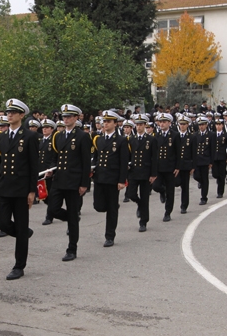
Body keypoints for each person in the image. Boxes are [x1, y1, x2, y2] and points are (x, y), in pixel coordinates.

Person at [0, 99, 39, 280]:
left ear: (22, 115)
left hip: (21, 188)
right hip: (4, 186)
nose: (9, 115)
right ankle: (23, 233)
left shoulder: (30, 136)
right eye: (8, 112)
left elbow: (34, 166)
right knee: (3, 223)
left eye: (13, 112)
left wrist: (32, 191)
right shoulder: (1, 137)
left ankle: (19, 265)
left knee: (21, 225)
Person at [47, 104, 92, 261]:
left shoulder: (82, 136)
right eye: (63, 117)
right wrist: (51, 169)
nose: (65, 119)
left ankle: (72, 248)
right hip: (59, 179)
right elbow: (55, 156)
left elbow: (86, 162)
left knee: (72, 214)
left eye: (68, 116)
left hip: (74, 181)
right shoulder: (58, 136)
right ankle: (71, 218)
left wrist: (84, 183)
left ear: (75, 118)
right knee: (52, 208)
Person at [91, 110, 129, 247]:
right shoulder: (98, 139)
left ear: (115, 123)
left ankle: (110, 236)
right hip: (100, 177)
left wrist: (121, 180)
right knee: (98, 206)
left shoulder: (121, 140)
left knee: (112, 209)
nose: (105, 124)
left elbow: (124, 162)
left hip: (113, 178)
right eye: (104, 121)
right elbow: (95, 158)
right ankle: (111, 207)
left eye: (108, 121)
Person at [126, 114, 157, 232]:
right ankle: (139, 204)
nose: (138, 127)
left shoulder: (151, 139)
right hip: (134, 171)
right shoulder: (131, 139)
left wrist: (153, 174)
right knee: (131, 194)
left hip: (145, 172)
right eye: (137, 124)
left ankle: (143, 221)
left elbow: (154, 158)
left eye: (141, 125)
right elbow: (128, 155)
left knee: (145, 198)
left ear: (145, 125)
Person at [175, 116, 196, 214]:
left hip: (186, 165)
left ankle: (184, 205)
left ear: (187, 125)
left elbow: (193, 152)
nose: (182, 126)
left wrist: (193, 166)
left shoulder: (191, 137)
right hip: (175, 165)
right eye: (180, 124)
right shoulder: (175, 136)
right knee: (174, 183)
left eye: (184, 124)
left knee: (185, 187)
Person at [39, 119, 57, 226]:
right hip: (40, 171)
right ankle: (55, 209)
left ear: (51, 129)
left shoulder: (53, 141)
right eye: (43, 128)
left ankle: (49, 216)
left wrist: (51, 169)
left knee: (49, 194)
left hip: (49, 171)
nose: (44, 130)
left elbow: (55, 157)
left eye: (47, 128)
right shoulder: (40, 140)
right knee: (44, 196)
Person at [193, 116, 213, 205]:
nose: (201, 126)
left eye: (203, 124)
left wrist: (211, 162)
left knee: (205, 179)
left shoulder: (211, 135)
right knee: (196, 176)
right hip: (197, 160)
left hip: (205, 159)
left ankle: (204, 197)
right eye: (200, 125)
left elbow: (212, 150)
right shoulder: (195, 135)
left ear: (206, 125)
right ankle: (200, 182)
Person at [212, 118, 227, 198]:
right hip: (214, 157)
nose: (218, 126)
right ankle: (218, 178)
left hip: (222, 157)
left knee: (221, 175)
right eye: (217, 125)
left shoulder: (226, 135)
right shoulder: (213, 134)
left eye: (219, 125)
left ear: (222, 125)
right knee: (215, 174)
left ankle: (220, 192)